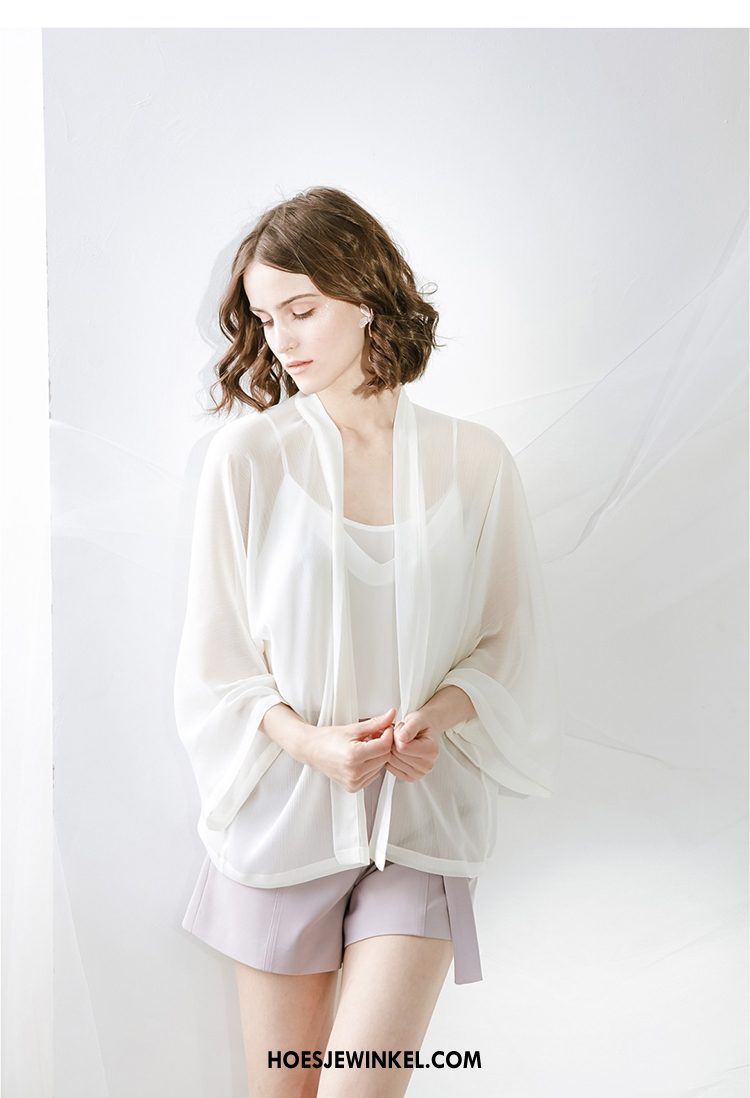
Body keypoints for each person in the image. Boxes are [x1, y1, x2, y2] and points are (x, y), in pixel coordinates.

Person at [174, 186, 562, 1098]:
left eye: (302, 309)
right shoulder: (249, 459)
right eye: (266, 319)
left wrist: (438, 717)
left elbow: (505, 645)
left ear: (365, 294)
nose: (282, 339)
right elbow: (216, 664)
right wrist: (312, 744)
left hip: (420, 825)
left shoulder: (476, 461)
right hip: (281, 831)